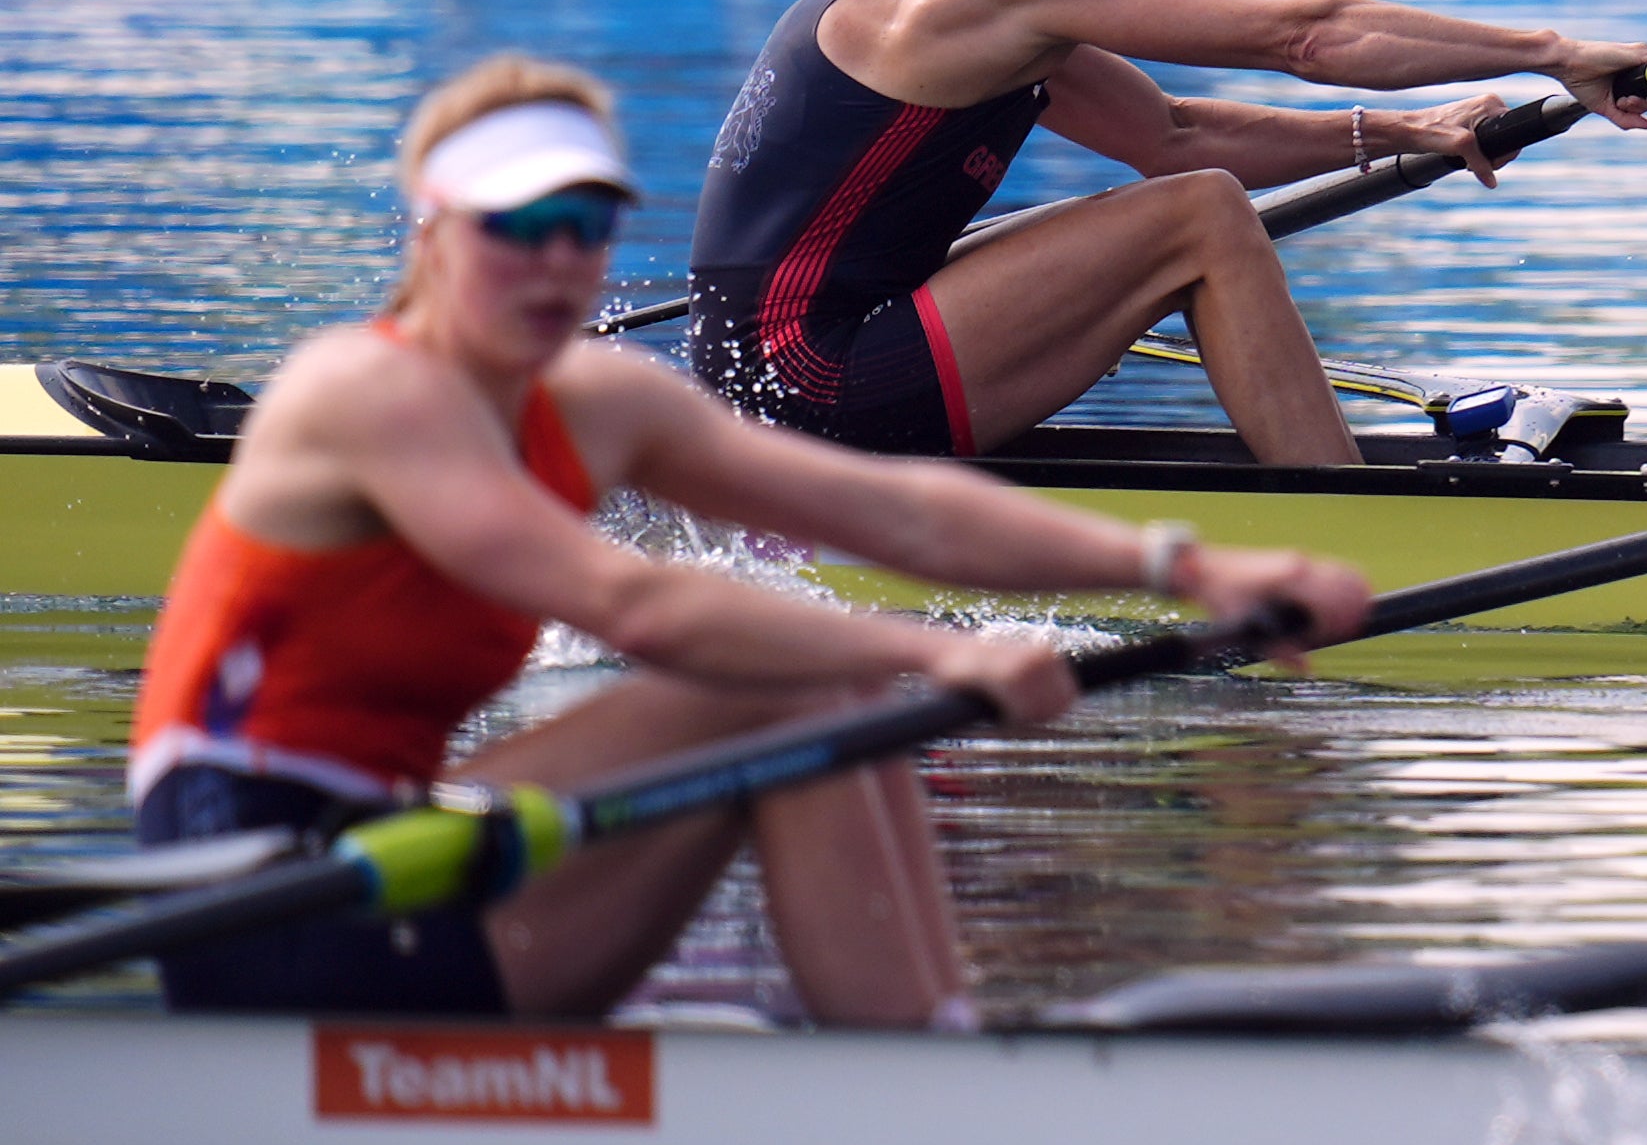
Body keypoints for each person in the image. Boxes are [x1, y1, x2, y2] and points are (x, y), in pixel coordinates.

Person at [132, 59, 1372, 1025]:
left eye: (587, 222)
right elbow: (634, 604)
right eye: (519, 225)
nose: (559, 257)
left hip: (401, 876)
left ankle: (929, 1052)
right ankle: (919, 1069)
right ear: (432, 235)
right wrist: (937, 656)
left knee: (822, 678)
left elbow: (899, 511)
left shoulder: (599, 406)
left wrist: (1186, 566)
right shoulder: (366, 395)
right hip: (256, 899)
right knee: (806, 682)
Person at [686, 0, 1647, 465]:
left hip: (755, 371)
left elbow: (1173, 135)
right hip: (806, 379)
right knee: (1203, 218)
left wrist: (1418, 130)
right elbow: (1307, 37)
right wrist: (1558, 53)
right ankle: (1347, 525)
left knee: (1182, 196)